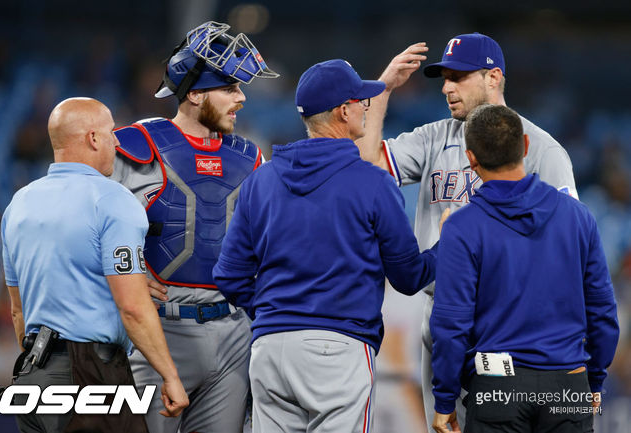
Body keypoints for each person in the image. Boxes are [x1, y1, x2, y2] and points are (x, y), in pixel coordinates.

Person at [355, 32, 579, 431]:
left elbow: (568, 250)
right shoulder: (434, 137)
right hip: (440, 315)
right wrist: (383, 89)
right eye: (445, 77)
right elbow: (367, 167)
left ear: (493, 77)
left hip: (507, 320)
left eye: (459, 77)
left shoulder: (543, 150)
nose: (446, 88)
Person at [213, 59, 442, 433]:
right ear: (343, 111)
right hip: (337, 348)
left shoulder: (262, 180)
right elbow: (408, 276)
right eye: (360, 101)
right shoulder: (372, 182)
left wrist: (277, 311)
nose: (365, 106)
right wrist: (449, 245)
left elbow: (229, 275)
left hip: (270, 347)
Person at [110, 21, 278, 433]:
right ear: (195, 93)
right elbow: (82, 223)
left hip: (235, 330)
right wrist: (117, 268)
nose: (241, 98)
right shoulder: (136, 145)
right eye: (230, 88)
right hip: (161, 329)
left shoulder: (250, 156)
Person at [1, 97, 189, 433]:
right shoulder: (113, 199)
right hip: (91, 374)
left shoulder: (19, 202)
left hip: (32, 374)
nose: (117, 141)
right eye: (111, 132)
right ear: (93, 138)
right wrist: (170, 375)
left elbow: (19, 312)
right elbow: (132, 307)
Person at [430, 104, 619, 433]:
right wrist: (594, 381)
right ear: (526, 147)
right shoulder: (578, 217)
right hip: (567, 383)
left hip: (496, 385)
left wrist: (445, 400)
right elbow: (603, 313)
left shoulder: (462, 227)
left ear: (471, 158)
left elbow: (450, 325)